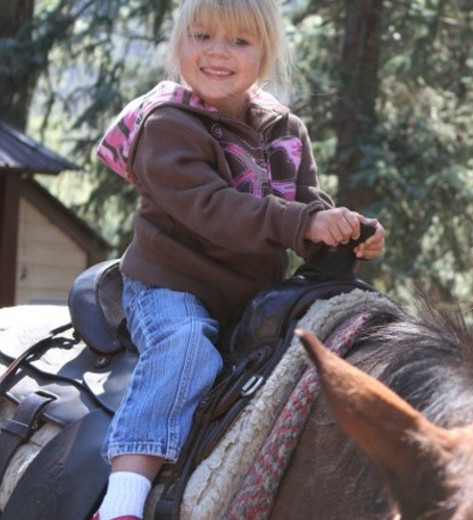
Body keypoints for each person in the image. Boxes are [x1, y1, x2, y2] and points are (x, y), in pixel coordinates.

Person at [92, 0, 385, 518]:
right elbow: (213, 209)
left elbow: (304, 204)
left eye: (239, 41)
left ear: (266, 53)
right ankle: (124, 495)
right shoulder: (167, 123)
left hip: (250, 297)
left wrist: (342, 231)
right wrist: (301, 223)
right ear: (179, 44)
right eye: (202, 36)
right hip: (170, 285)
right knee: (186, 350)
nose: (217, 52)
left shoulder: (284, 128)